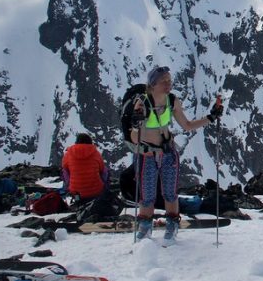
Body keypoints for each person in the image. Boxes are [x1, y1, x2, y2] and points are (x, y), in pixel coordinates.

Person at [129, 66, 223, 244]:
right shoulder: (142, 103)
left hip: (167, 153)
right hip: (147, 154)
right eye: (164, 81)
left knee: (170, 193)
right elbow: (134, 137)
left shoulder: (172, 101)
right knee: (147, 195)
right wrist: (136, 121)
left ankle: (170, 224)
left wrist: (210, 118)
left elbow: (186, 125)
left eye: (169, 81)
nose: (168, 84)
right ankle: (145, 227)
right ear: (153, 84)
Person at [61, 133, 108, 202]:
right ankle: (104, 191)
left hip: (76, 194)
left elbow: (64, 168)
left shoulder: (68, 154)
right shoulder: (96, 153)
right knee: (105, 169)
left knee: (64, 171)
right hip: (96, 192)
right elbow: (102, 169)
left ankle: (74, 196)